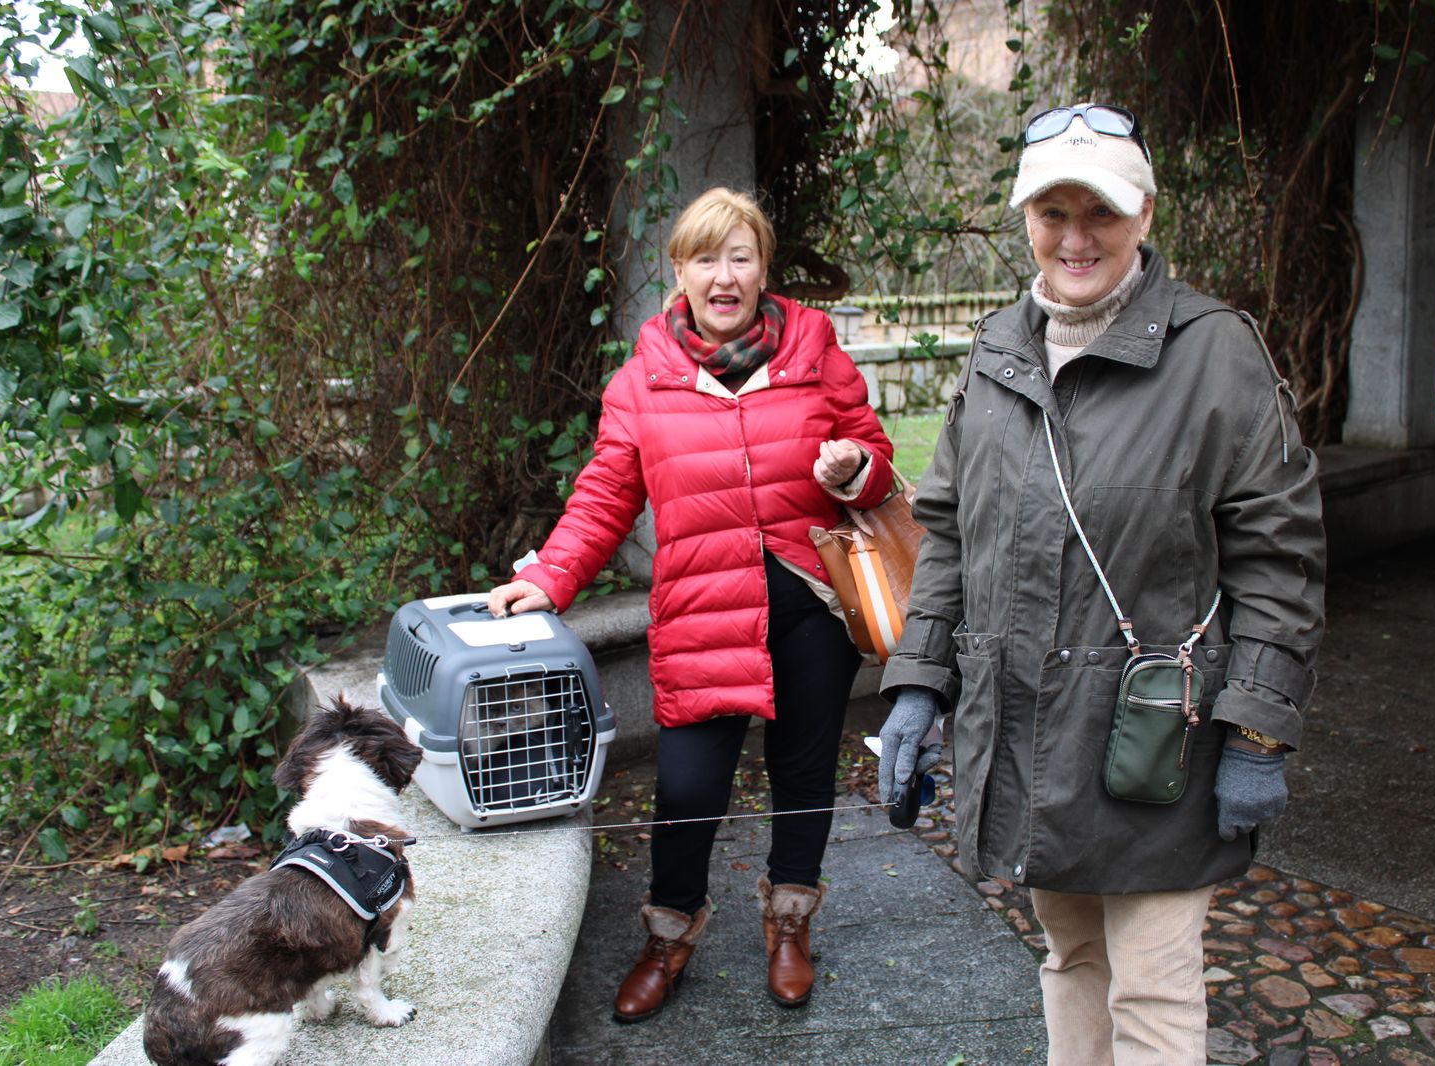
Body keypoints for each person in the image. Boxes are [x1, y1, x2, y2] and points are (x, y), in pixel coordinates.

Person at [876, 103, 1326, 1065]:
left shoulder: (1216, 353)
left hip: (1153, 738)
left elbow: (1279, 557)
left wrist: (1257, 730)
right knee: (1070, 955)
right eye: (1053, 213)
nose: (1075, 238)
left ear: (1147, 214)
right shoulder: (998, 348)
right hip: (1028, 725)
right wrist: (919, 681)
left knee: (1156, 989)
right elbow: (951, 531)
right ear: (1025, 218)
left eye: (1101, 213)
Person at [488, 187, 896, 1022]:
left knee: (805, 776)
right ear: (680, 271)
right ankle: (668, 938)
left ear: (762, 268)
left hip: (811, 606)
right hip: (704, 612)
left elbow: (876, 457)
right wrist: (553, 575)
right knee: (687, 789)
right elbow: (605, 493)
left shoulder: (815, 348)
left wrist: (853, 468)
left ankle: (790, 924)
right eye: (706, 257)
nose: (724, 275)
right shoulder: (645, 381)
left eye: (740, 256)